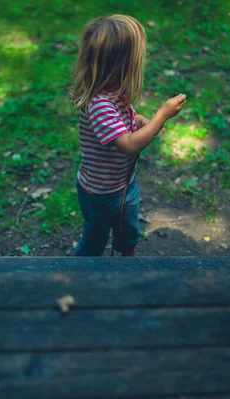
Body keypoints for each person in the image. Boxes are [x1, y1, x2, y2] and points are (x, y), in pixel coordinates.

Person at [70, 14, 187, 256]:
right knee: (94, 241)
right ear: (120, 65)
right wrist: (161, 115)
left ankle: (125, 261)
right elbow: (129, 145)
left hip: (124, 184)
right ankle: (78, 272)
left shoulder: (115, 92)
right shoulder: (99, 104)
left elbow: (125, 121)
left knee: (129, 232)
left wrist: (142, 121)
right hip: (100, 193)